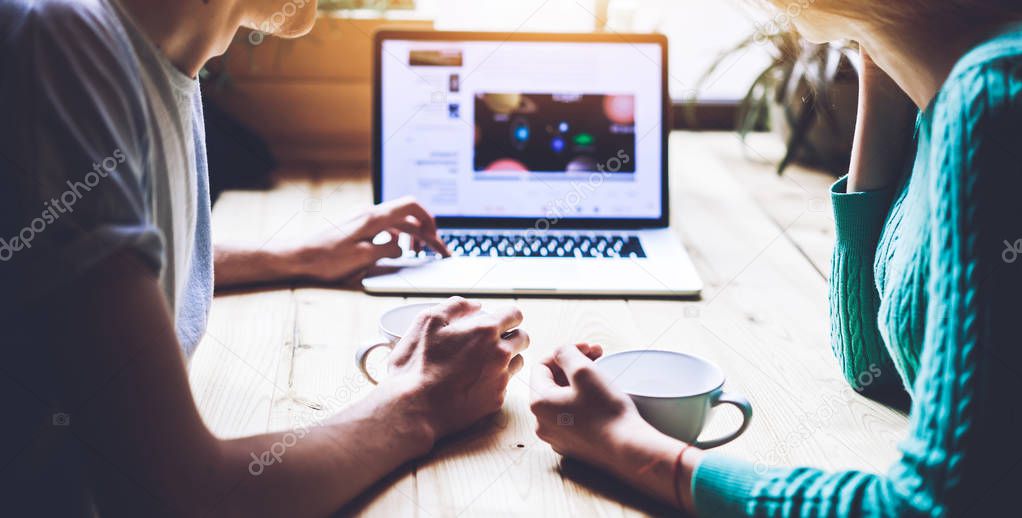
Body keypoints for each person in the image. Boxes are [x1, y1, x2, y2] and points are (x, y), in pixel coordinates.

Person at [0, 0, 528, 515]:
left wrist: (298, 255)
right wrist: (421, 401)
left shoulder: (159, 59)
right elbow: (185, 496)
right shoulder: (56, 41)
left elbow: (113, 271)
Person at [530, 1, 1022, 516]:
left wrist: (628, 447)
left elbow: (929, 507)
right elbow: (877, 367)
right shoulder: (948, 93)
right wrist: (881, 62)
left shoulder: (998, 97)